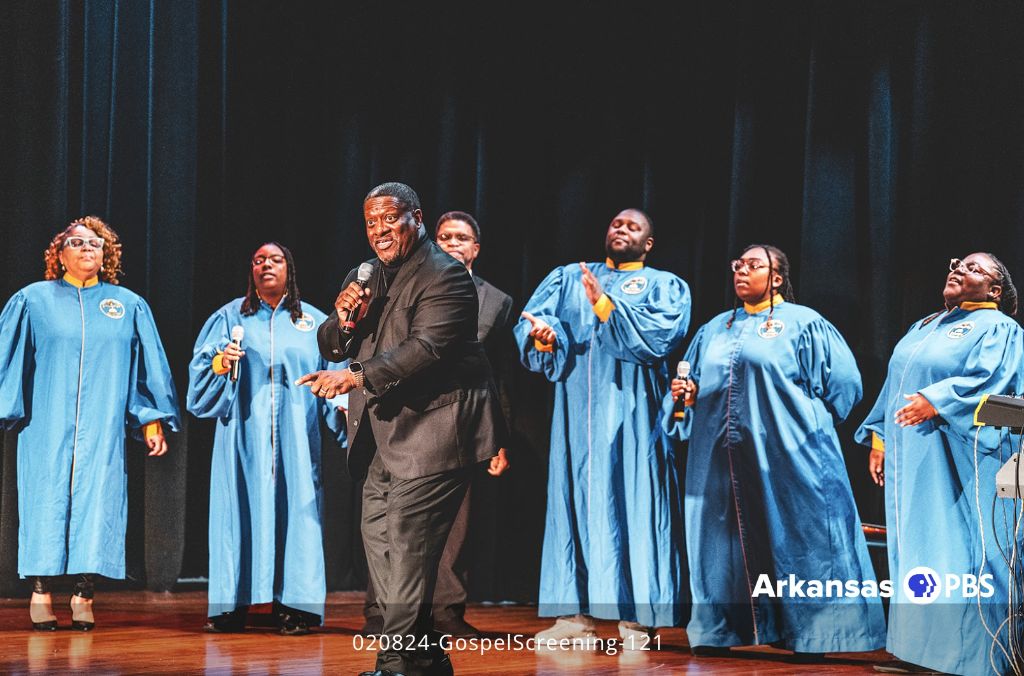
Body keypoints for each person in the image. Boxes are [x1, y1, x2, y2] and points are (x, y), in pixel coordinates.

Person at [298, 182, 505, 676]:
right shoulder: (365, 274)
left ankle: (395, 665)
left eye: (389, 218)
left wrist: (355, 376)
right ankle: (426, 658)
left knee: (409, 546)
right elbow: (331, 342)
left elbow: (427, 348)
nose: (379, 230)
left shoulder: (446, 275)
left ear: (417, 217)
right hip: (383, 436)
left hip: (437, 432)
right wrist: (344, 319)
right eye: (371, 222)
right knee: (381, 544)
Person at [665, 244, 885, 659]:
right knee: (721, 545)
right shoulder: (713, 329)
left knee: (802, 539)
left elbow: (844, 386)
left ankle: (815, 634)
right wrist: (688, 397)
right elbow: (689, 392)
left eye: (754, 265)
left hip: (789, 455)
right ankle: (720, 630)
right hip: (720, 460)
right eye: (738, 264)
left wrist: (806, 423)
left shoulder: (803, 323)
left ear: (777, 278)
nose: (741, 270)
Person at [514, 208, 690, 646]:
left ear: (648, 243)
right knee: (572, 505)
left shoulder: (662, 285)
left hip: (633, 414)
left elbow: (659, 337)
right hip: (575, 415)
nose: (621, 229)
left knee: (634, 504)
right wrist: (544, 336)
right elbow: (534, 320)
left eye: (633, 226)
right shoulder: (568, 277)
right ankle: (575, 619)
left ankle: (637, 621)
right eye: (616, 223)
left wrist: (604, 305)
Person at [0, 216, 180, 631]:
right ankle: (41, 591)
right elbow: (9, 359)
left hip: (103, 428)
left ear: (106, 255)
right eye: (77, 242)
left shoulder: (128, 305)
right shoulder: (33, 300)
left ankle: (84, 593)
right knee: (43, 502)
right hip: (45, 425)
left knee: (99, 504)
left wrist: (151, 420)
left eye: (95, 244)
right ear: (59, 254)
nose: (87, 249)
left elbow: (146, 369)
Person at [855, 253, 1024, 676]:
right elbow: (897, 384)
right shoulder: (926, 324)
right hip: (915, 456)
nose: (959, 269)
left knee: (963, 550)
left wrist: (938, 400)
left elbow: (994, 381)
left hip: (964, 456)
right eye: (957, 263)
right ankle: (921, 653)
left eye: (974, 268)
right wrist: (880, 439)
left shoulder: (999, 328)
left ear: (995, 290)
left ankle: (972, 659)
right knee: (918, 550)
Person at [360, 210, 513, 639]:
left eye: (461, 237)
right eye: (445, 236)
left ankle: (444, 612)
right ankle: (385, 615)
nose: (452, 243)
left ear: (475, 248)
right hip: (396, 413)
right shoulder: (399, 280)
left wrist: (499, 436)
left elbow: (497, 371)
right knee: (387, 522)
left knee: (450, 525)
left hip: (456, 419)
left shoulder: (496, 300)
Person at [187, 242, 348, 636]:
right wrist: (221, 362)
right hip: (242, 436)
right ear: (251, 271)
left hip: (297, 438)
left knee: (299, 515)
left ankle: (296, 607)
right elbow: (201, 376)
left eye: (275, 259)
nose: (266, 265)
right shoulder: (229, 318)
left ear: (289, 268)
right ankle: (230, 607)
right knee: (235, 514)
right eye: (258, 260)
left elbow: (336, 379)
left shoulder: (315, 323)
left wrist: (345, 411)